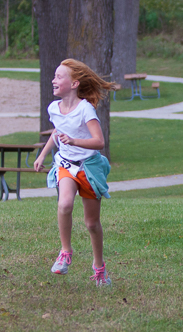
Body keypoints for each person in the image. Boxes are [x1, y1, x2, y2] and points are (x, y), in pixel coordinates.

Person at [34, 58, 114, 286]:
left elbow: (99, 142)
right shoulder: (53, 108)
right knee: (64, 204)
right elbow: (57, 132)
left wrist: (74, 141)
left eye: (59, 77)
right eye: (54, 76)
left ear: (74, 83)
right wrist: (42, 155)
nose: (54, 80)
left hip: (88, 168)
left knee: (91, 224)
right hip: (66, 165)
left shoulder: (85, 109)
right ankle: (65, 252)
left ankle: (99, 268)